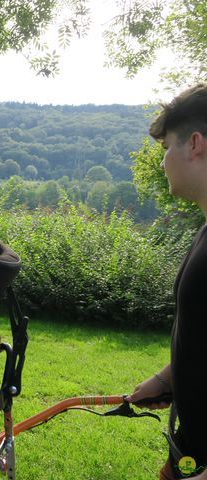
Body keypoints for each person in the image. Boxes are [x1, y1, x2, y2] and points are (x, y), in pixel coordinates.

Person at [126, 84, 207, 480]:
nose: (162, 164)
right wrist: (166, 378)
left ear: (195, 144)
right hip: (190, 451)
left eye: (166, 150)